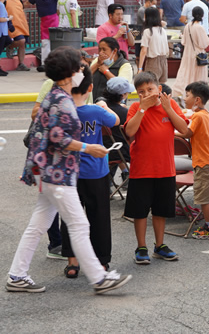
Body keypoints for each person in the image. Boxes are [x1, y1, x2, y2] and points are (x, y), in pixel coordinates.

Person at [8, 47, 131, 294]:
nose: (81, 72)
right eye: (77, 68)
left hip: (48, 171)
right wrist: (88, 148)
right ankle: (100, 278)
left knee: (38, 225)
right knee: (78, 224)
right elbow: (57, 137)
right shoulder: (62, 101)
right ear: (68, 74)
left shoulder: (55, 95)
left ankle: (17, 275)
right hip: (57, 173)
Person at [60, 64, 120, 277]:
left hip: (70, 173)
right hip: (96, 172)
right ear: (90, 87)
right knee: (99, 216)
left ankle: (72, 262)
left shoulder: (63, 112)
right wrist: (103, 105)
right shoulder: (95, 111)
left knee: (69, 217)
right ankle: (101, 261)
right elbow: (116, 120)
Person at [124, 71, 189, 264]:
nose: (146, 94)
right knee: (140, 211)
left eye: (150, 89)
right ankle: (141, 247)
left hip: (165, 168)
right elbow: (129, 131)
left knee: (161, 210)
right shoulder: (135, 107)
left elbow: (184, 130)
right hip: (142, 169)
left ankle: (159, 245)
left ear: (159, 89)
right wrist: (142, 109)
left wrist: (168, 108)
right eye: (141, 91)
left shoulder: (171, 105)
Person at [176, 81, 209, 240]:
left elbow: (187, 133)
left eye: (187, 95)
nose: (184, 98)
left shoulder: (197, 116)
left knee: (204, 199)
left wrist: (173, 133)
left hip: (203, 164)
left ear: (197, 100)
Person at [174, 6, 209, 97]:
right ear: (202, 15)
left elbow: (183, 42)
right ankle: (197, 93)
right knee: (198, 76)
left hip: (188, 54)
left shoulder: (188, 26)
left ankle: (186, 91)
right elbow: (204, 43)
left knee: (187, 73)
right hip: (198, 54)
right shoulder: (200, 28)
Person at [28, 0, 61, 66]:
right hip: (44, 21)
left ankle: (56, 62)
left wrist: (59, 10)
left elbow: (63, 0)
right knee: (44, 42)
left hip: (53, 20)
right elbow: (29, 2)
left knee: (54, 41)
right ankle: (45, 63)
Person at [90, 37, 133, 102]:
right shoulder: (97, 61)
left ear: (114, 51)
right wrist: (97, 64)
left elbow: (121, 86)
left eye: (104, 50)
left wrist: (106, 72)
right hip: (95, 103)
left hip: (113, 105)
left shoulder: (125, 65)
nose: (101, 53)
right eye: (99, 49)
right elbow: (86, 76)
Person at [138, 7, 170, 84]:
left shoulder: (147, 31)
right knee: (161, 86)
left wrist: (140, 68)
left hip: (153, 61)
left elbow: (144, 50)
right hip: (164, 61)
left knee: (151, 85)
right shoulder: (163, 30)